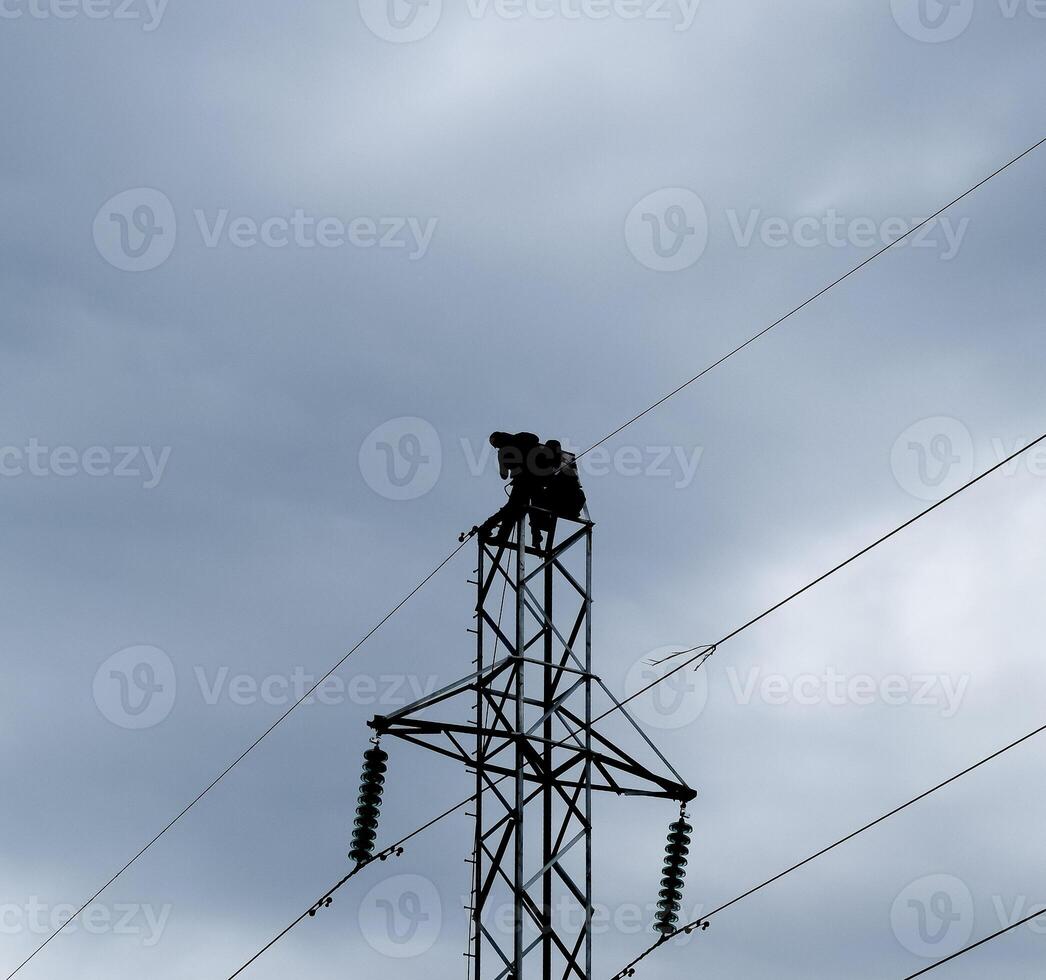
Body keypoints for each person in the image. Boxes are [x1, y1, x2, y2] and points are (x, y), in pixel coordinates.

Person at [477, 431, 554, 549]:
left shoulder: (503, 451)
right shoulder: (523, 439)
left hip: (522, 482)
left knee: (511, 509)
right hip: (537, 481)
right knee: (533, 508)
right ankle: (536, 537)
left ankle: (489, 529)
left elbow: (504, 475)